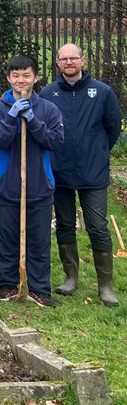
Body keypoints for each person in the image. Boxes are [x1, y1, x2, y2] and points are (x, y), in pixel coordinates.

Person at [40, 43, 121, 305]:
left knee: (98, 227)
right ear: (57, 63)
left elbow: (113, 128)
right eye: (64, 59)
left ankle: (105, 286)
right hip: (59, 170)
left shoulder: (103, 92)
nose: (69, 62)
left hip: (92, 172)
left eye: (74, 58)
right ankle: (71, 278)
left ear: (82, 61)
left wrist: (97, 151)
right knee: (64, 225)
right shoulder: (48, 93)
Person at [0, 54, 64, 307]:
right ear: (9, 78)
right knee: (6, 239)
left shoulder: (48, 109)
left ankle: (40, 289)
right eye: (16, 75)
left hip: (40, 187)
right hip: (7, 187)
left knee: (39, 241)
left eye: (26, 75)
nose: (21, 80)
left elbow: (54, 141)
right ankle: (7, 284)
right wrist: (11, 117)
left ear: (36, 77)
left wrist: (32, 119)